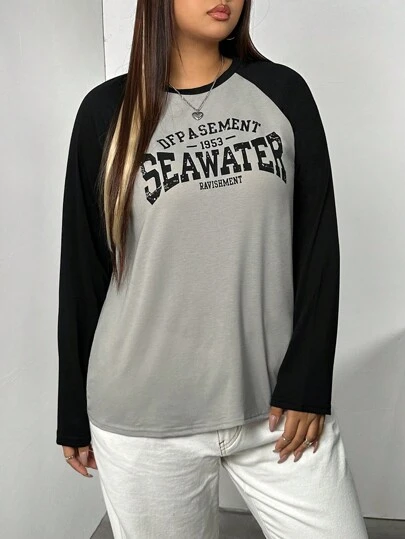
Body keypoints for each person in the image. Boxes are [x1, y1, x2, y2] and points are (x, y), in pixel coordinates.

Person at [56, 1, 369, 537]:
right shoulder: (105, 112)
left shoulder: (282, 92)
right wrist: (72, 411)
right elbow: (83, 269)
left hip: (275, 410)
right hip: (145, 415)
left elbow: (318, 245)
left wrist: (308, 383)